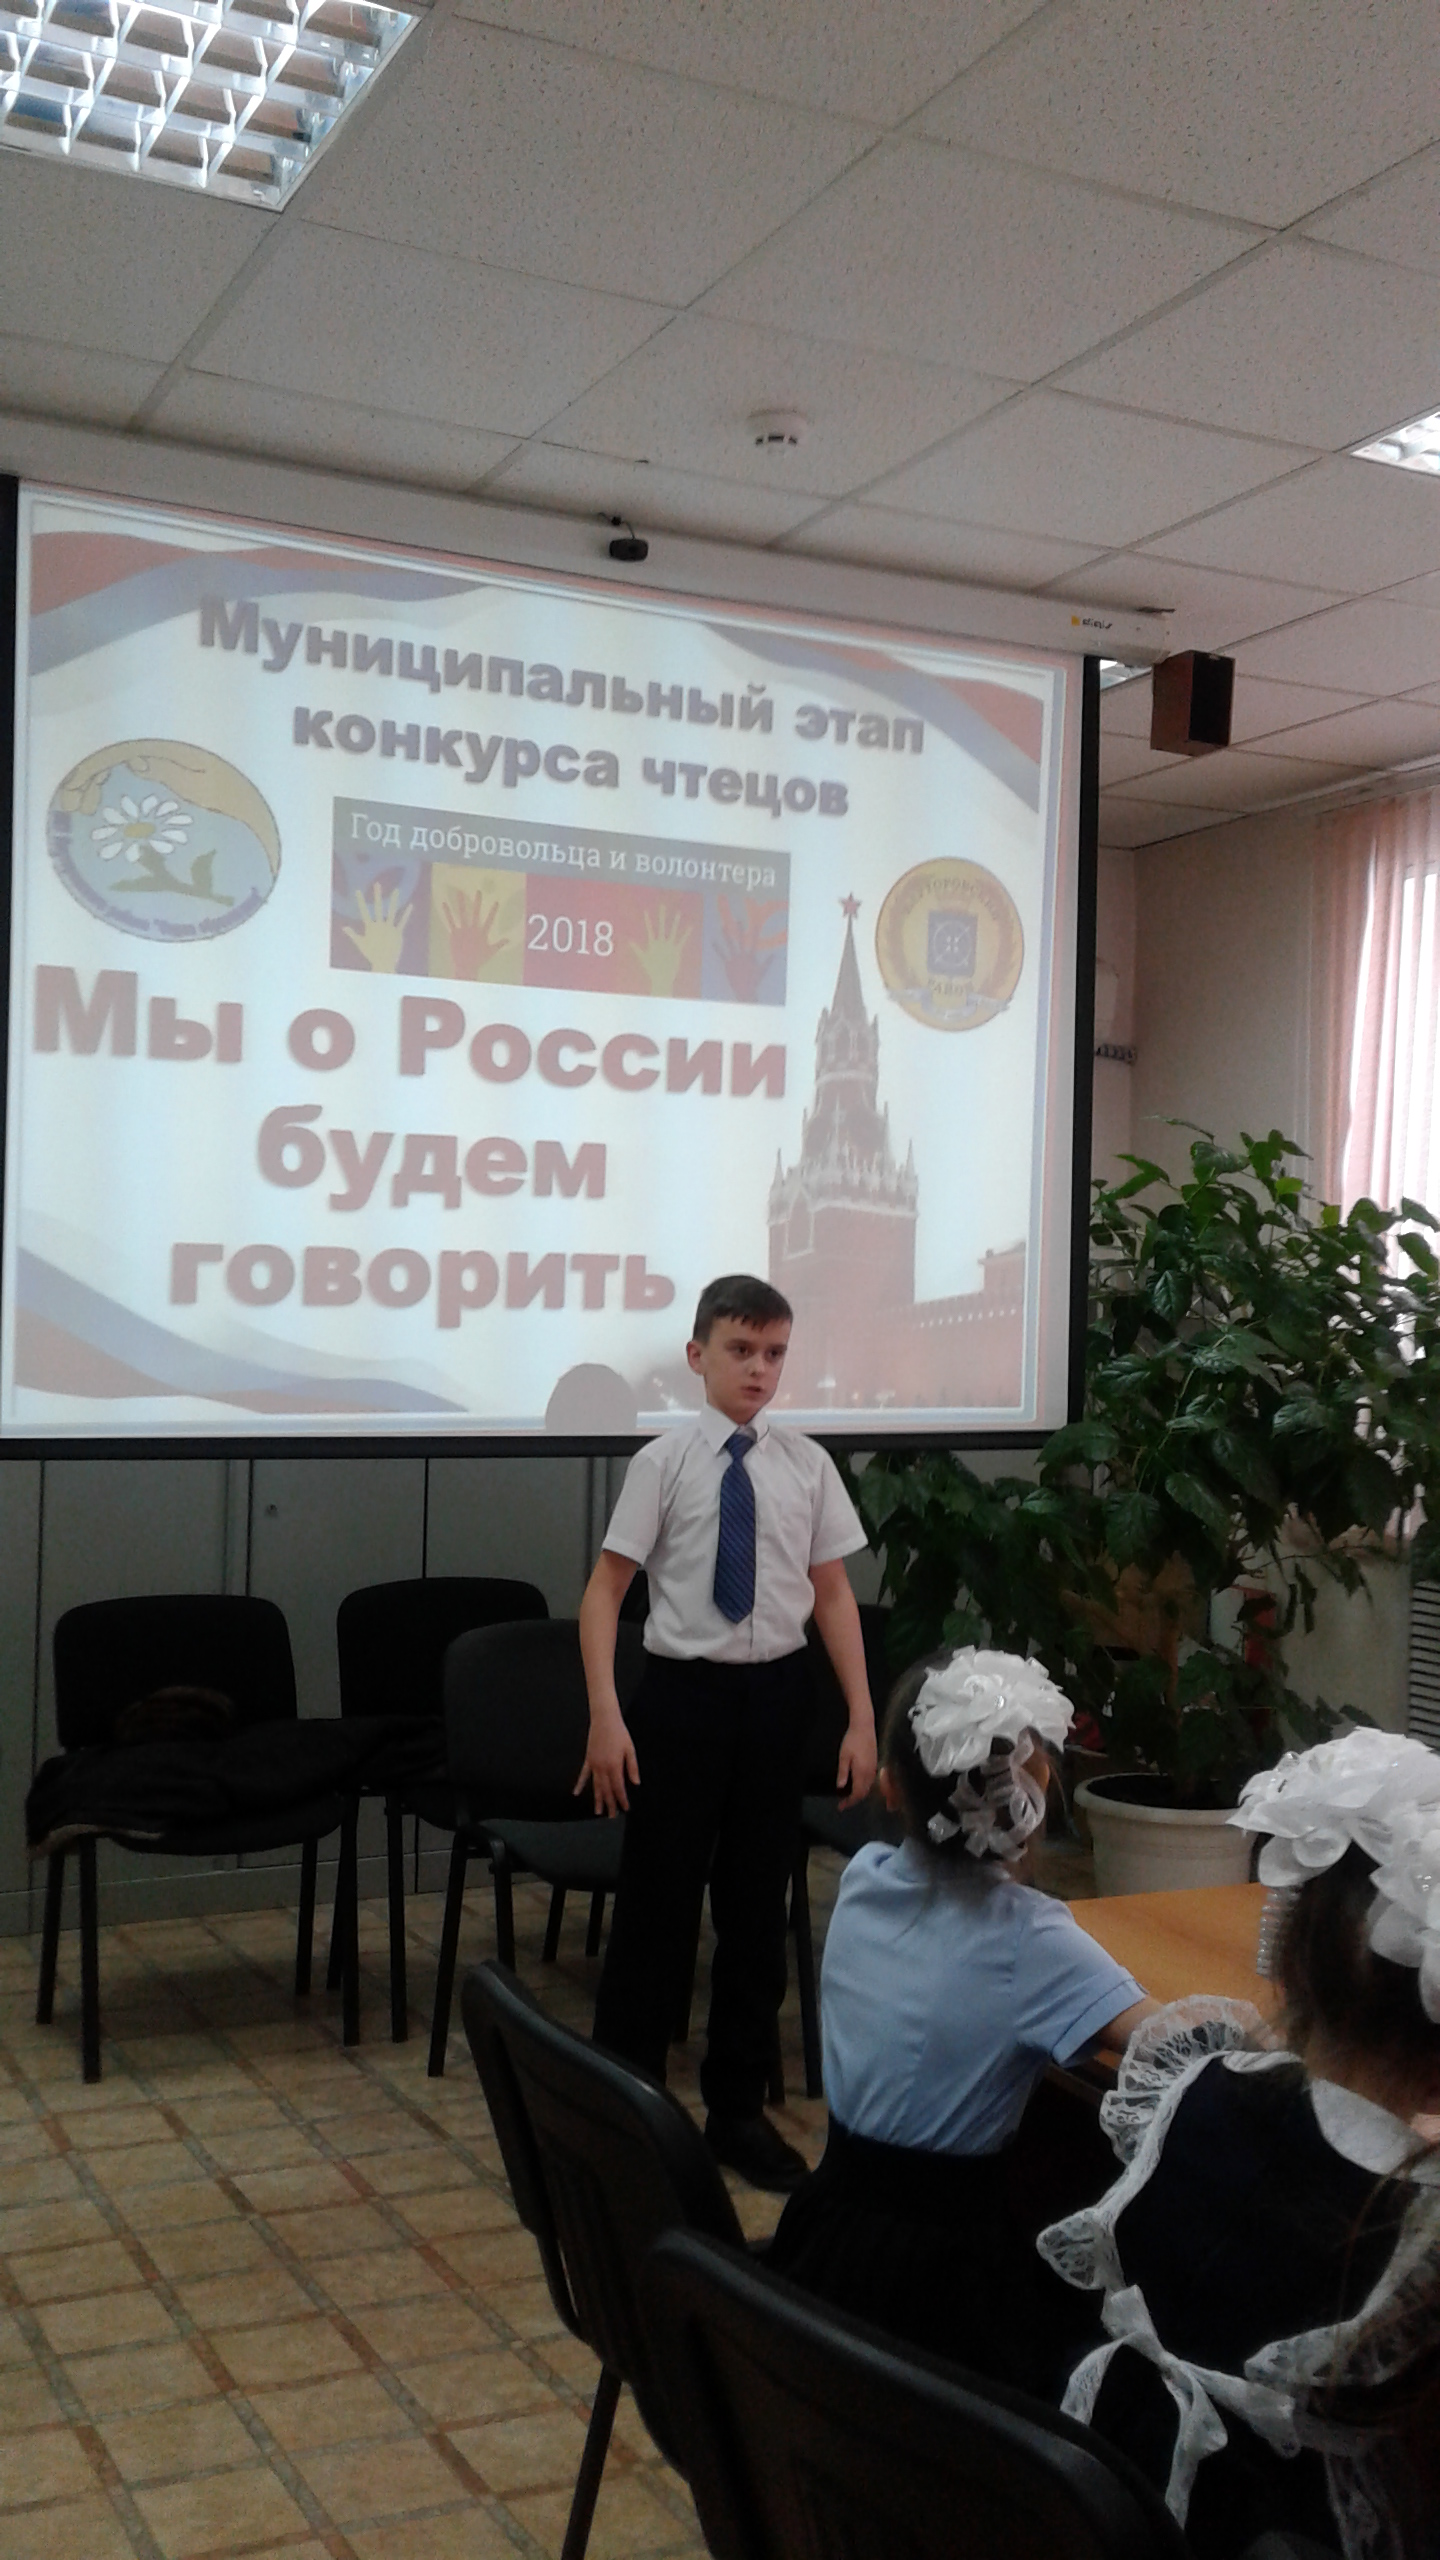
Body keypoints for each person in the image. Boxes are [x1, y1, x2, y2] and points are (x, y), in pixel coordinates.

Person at [1039, 1727, 1440, 2560]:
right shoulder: (1414, 2231)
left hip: (1114, 2477)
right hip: (1273, 2528)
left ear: (1289, 1956)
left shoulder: (1196, 2086)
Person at [767, 1646, 1157, 2392]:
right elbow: (1176, 2042)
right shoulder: (1028, 1936)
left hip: (824, 2241)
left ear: (890, 1788)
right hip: (941, 2287)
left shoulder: (862, 1880)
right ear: (1037, 1792)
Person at [578, 1273, 877, 2193]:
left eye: (774, 1353)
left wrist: (861, 1716)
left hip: (776, 1699)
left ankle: (737, 2111)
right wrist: (605, 1715)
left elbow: (833, 1594)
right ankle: (624, 2104)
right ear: (697, 1355)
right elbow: (606, 1592)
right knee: (658, 1908)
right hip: (682, 1699)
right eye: (741, 1350)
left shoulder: (807, 1465)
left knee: (756, 1911)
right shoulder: (663, 1464)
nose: (759, 1369)